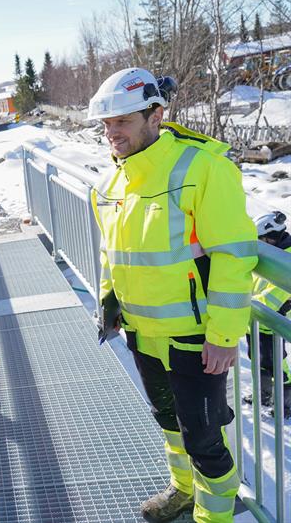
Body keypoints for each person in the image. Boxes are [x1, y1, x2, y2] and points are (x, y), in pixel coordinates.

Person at [88, 68, 258, 523]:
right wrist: (108, 303)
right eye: (106, 124)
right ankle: (183, 491)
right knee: (170, 425)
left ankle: (213, 516)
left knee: (203, 440)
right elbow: (111, 253)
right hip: (142, 334)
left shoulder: (202, 167)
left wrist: (223, 336)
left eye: (122, 121)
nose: (111, 133)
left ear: (156, 114)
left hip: (194, 338)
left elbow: (233, 256)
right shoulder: (109, 185)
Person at [243, 211, 291, 418]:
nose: (259, 245)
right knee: (256, 359)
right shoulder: (268, 253)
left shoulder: (285, 261)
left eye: (261, 241)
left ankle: (286, 403)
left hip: (272, 324)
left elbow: (272, 300)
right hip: (253, 321)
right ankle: (263, 393)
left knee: (277, 366)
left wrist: (243, 307)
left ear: (272, 237)